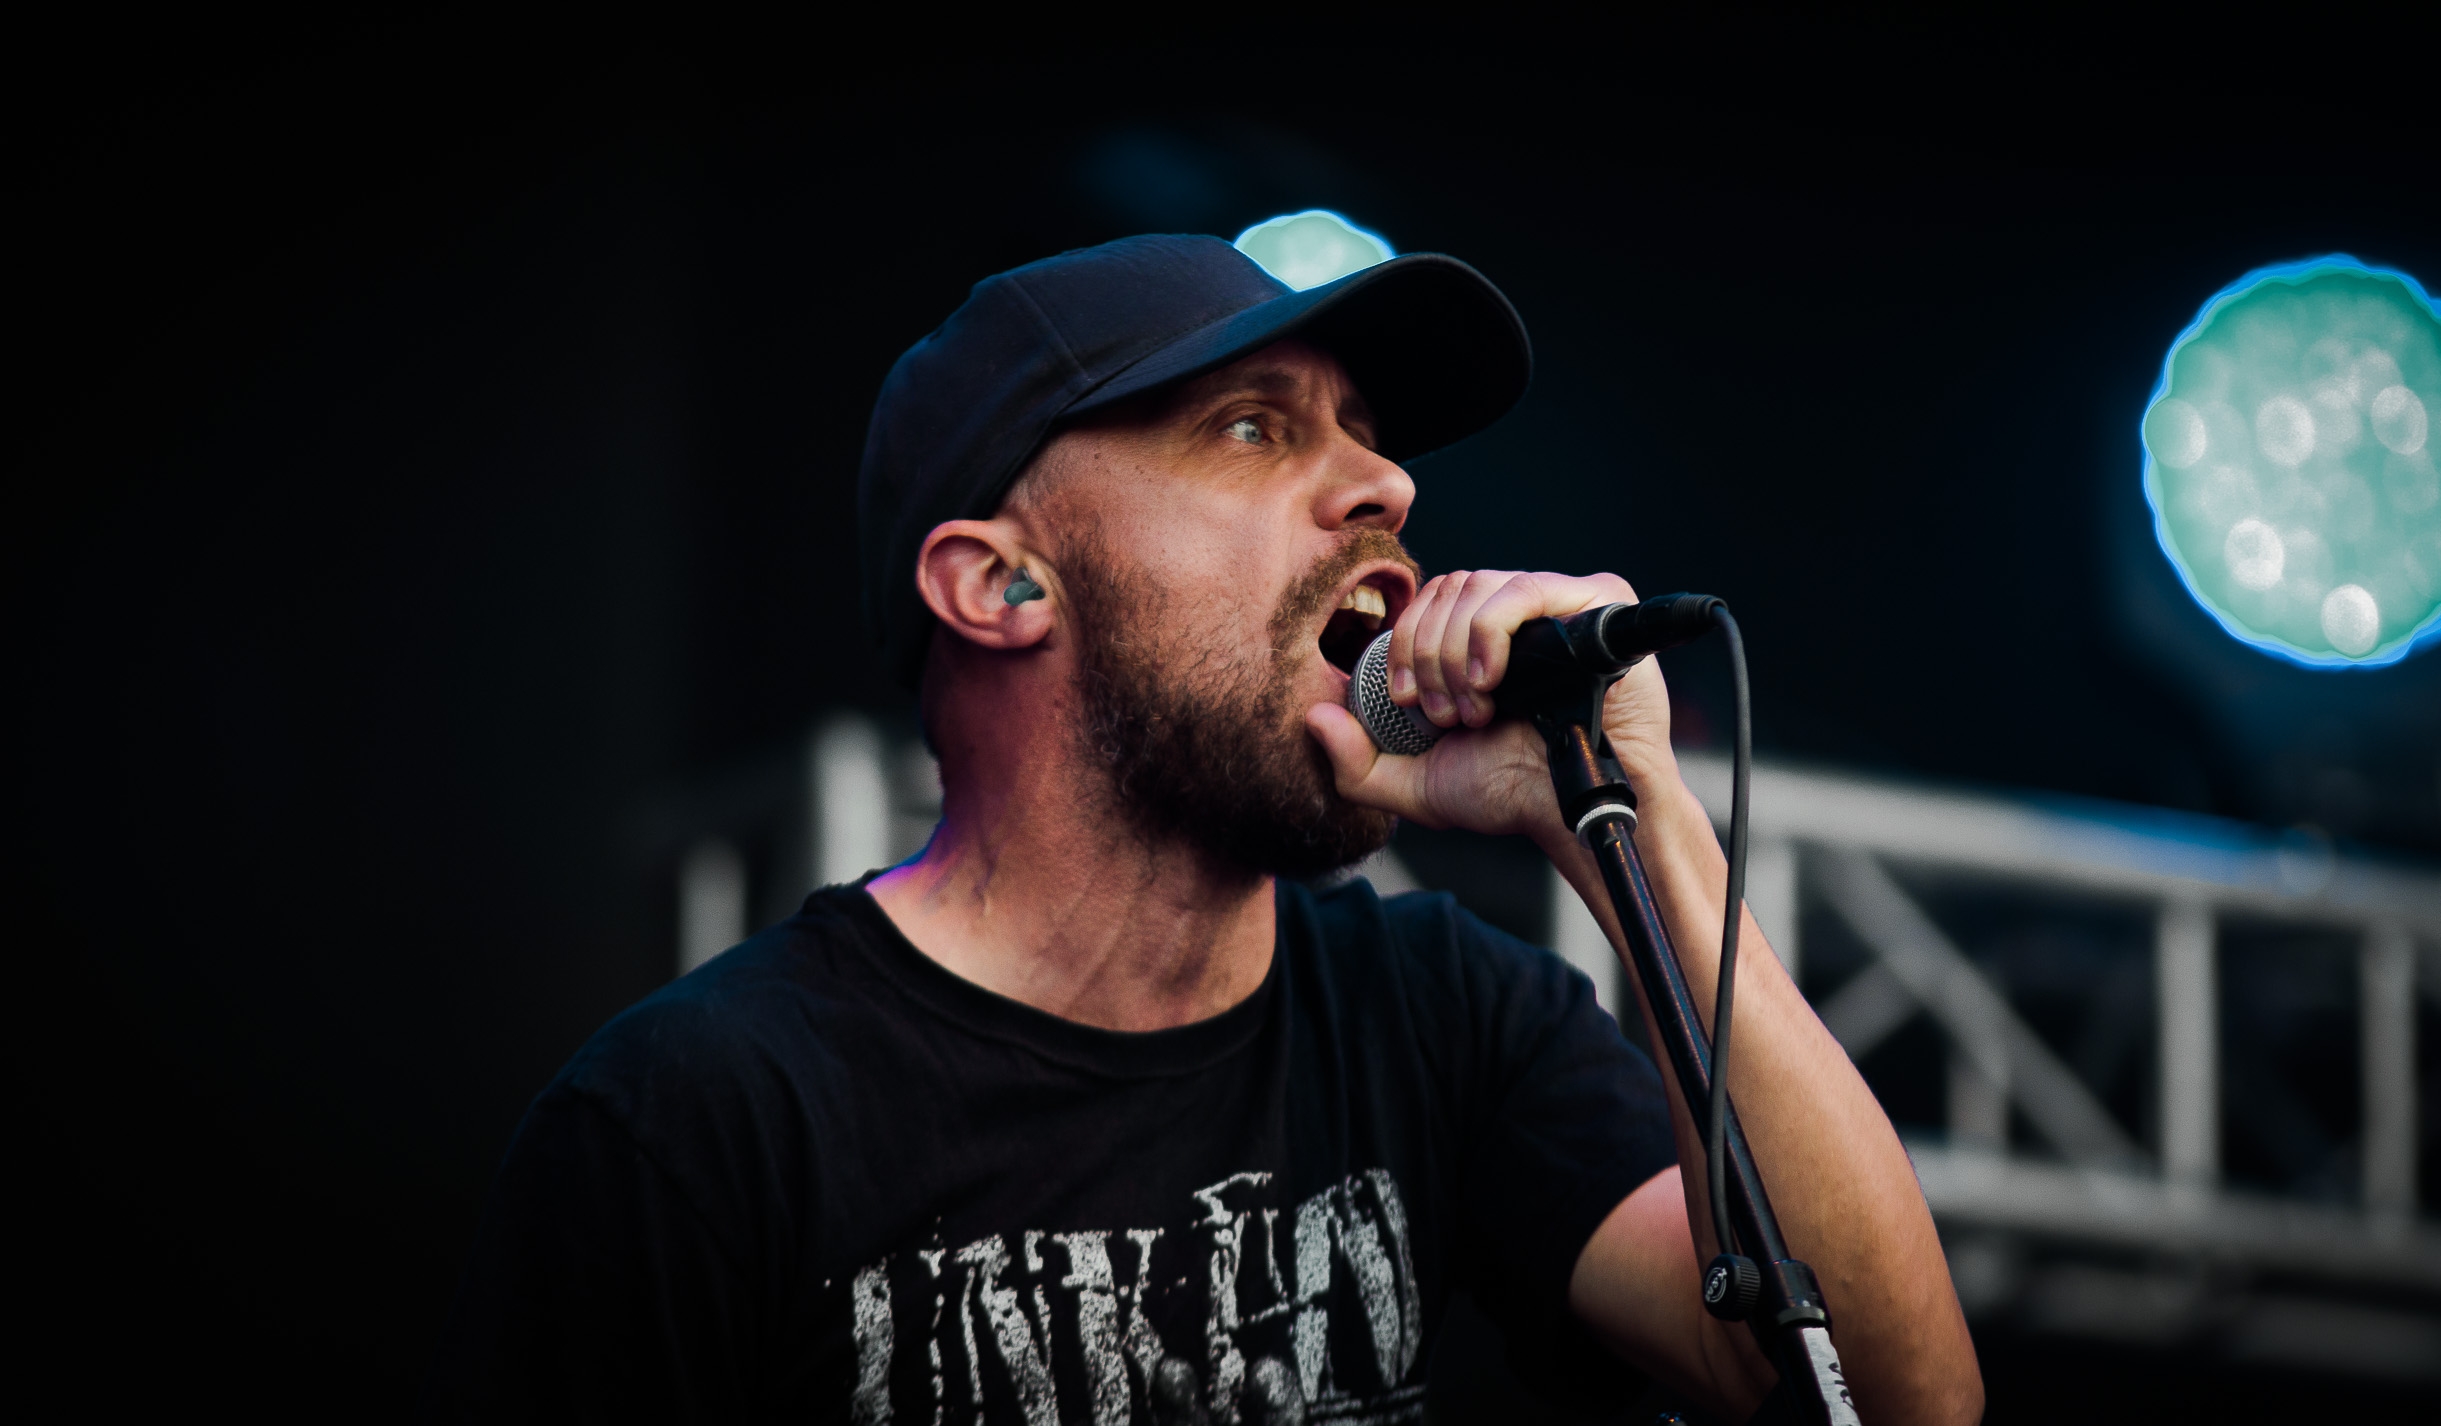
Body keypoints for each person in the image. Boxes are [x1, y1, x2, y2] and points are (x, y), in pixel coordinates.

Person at [428, 235, 1981, 1425]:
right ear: (999, 581)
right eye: (1252, 428)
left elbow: (1889, 1396)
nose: (1384, 484)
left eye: (1368, 434)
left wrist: (1629, 821)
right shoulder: (696, 1124)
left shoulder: (1442, 1017)